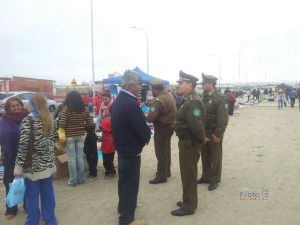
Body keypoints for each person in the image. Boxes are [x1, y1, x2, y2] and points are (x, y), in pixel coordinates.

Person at [110, 70, 151, 225]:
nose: (140, 87)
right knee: (130, 184)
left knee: (123, 181)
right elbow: (144, 130)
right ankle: (126, 219)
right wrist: (144, 139)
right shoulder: (130, 103)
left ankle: (123, 208)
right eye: (139, 84)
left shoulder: (118, 101)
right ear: (131, 84)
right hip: (131, 150)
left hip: (122, 149)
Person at [14, 93, 58, 225]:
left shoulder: (29, 120)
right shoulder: (50, 117)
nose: (26, 105)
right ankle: (50, 219)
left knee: (32, 195)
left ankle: (33, 221)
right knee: (48, 193)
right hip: (48, 163)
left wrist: (18, 166)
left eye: (28, 103)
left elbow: (23, 146)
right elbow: (53, 139)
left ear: (33, 105)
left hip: (33, 166)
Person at [171, 71, 207, 217]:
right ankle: (189, 200)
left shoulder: (192, 101)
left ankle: (188, 207)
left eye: (181, 83)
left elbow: (197, 126)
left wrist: (200, 140)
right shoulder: (188, 99)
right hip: (187, 142)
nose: (178, 85)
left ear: (189, 84)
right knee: (188, 174)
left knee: (189, 175)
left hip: (189, 143)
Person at [198, 73, 229, 191]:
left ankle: (215, 179)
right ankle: (206, 176)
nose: (202, 85)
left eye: (203, 83)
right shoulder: (203, 97)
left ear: (210, 84)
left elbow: (223, 119)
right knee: (205, 155)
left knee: (216, 156)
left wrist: (218, 134)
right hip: (204, 131)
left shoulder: (220, 98)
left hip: (214, 131)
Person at [0, 97, 28, 220]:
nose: (16, 107)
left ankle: (28, 205)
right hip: (10, 157)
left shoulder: (28, 118)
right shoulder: (3, 121)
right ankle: (11, 208)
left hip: (27, 157)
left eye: (18, 105)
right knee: (10, 183)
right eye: (13, 106)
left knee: (28, 182)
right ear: (8, 108)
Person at [59, 91, 93, 186]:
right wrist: (81, 125)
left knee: (72, 158)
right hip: (81, 135)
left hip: (69, 136)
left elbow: (62, 124)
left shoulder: (66, 109)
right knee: (79, 156)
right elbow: (89, 124)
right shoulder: (85, 109)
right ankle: (81, 178)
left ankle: (73, 180)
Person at [146, 79, 177, 184]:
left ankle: (161, 175)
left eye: (152, 90)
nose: (152, 92)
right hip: (170, 127)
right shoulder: (169, 95)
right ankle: (166, 171)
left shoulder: (158, 100)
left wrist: (146, 115)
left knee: (160, 153)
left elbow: (151, 118)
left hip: (161, 128)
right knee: (166, 150)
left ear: (155, 89)